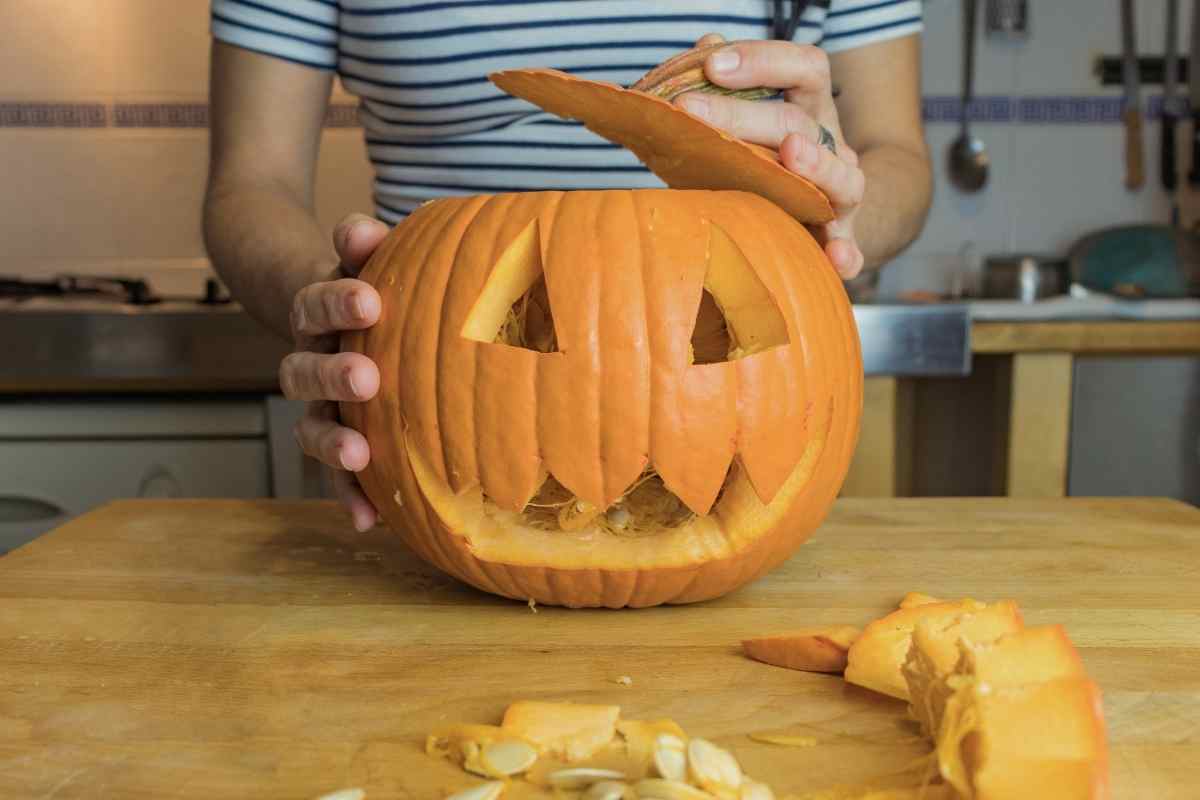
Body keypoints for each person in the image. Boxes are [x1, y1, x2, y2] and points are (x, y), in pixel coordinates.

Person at [203, 1, 933, 531]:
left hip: (739, 366)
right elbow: (252, 184)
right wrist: (338, 316)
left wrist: (832, 203)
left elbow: (897, 156)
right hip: (433, 373)